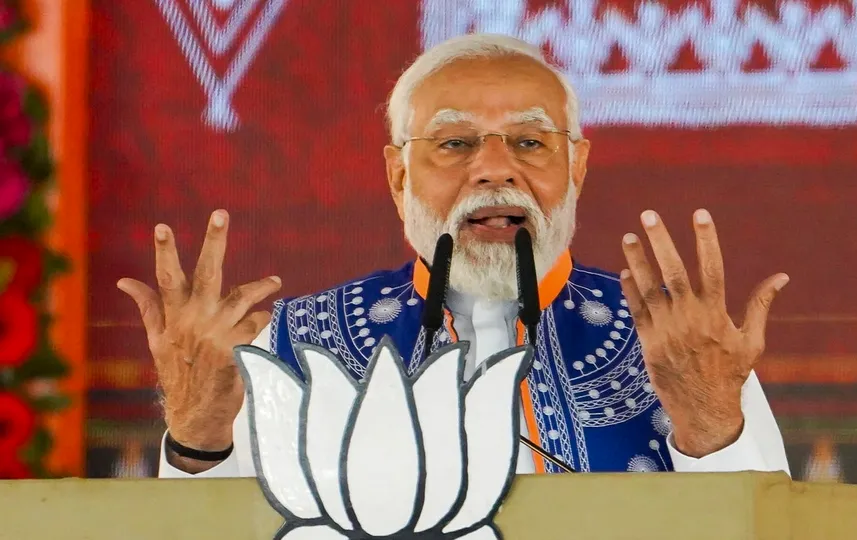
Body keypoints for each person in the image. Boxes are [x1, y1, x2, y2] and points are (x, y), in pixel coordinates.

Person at [118, 33, 791, 478]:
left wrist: (711, 425)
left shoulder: (682, 346)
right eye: (454, 143)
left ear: (576, 168)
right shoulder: (292, 348)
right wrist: (198, 436)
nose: (494, 170)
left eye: (529, 143)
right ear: (398, 177)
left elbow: (768, 524)